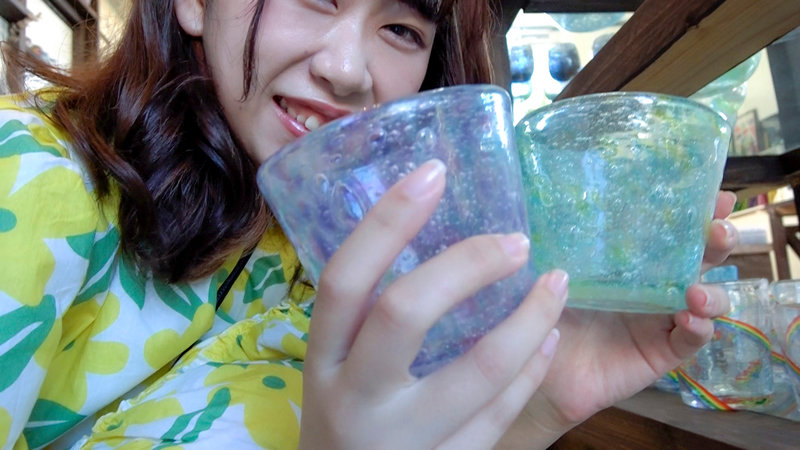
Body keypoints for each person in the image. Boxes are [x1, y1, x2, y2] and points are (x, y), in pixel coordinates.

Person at [0, 0, 738, 448]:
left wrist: (537, 402)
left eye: (403, 29)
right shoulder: (28, 173)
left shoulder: (336, 245)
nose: (348, 69)